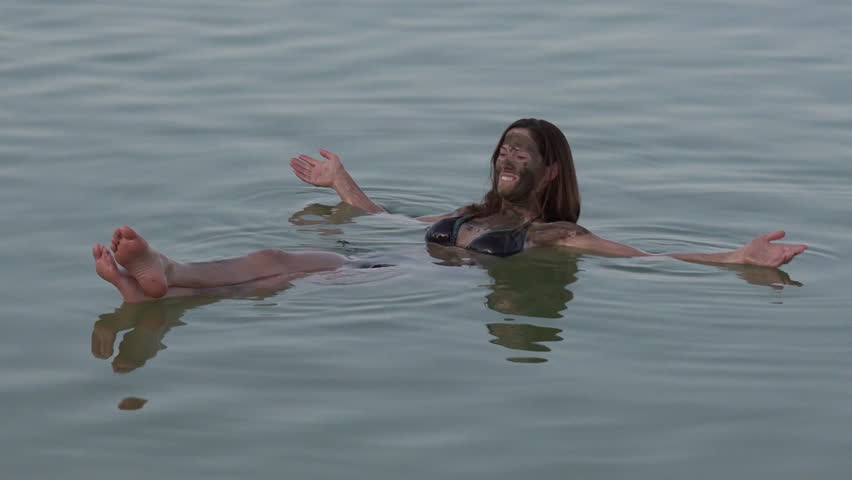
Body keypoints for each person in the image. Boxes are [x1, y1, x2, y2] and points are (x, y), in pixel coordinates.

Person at [93, 118, 807, 303]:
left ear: (550, 169)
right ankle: (155, 285)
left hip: (411, 286)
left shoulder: (553, 233)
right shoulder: (468, 211)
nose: (509, 157)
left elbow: (645, 260)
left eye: (523, 153)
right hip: (388, 262)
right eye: (504, 148)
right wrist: (346, 185)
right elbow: (388, 223)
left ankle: (168, 271)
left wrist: (738, 258)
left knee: (278, 269)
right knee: (276, 279)